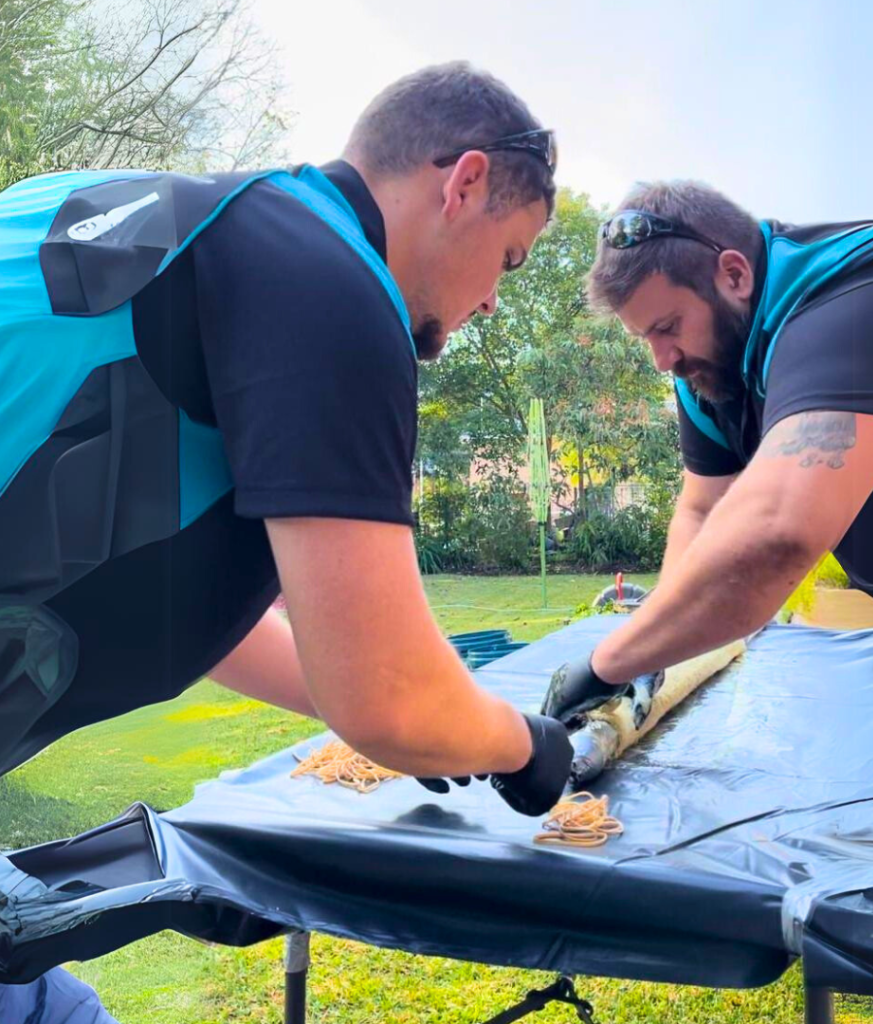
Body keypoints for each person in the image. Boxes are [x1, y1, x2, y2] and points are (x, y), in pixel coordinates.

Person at [0, 62, 571, 817]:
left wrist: (443, 720)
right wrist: (522, 745)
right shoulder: (333, 288)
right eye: (509, 258)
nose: (495, 299)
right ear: (464, 184)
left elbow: (175, 597)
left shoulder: (97, 207)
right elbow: (387, 697)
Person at [543, 181, 873, 723]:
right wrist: (651, 653)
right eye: (644, 337)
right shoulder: (710, 363)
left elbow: (777, 537)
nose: (660, 359)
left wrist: (605, 665)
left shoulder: (870, 304)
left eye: (668, 327)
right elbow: (703, 511)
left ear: (733, 274)